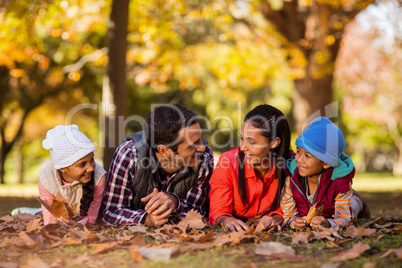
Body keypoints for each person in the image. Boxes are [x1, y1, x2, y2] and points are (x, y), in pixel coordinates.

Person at [102, 104, 214, 226]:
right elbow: (110, 212)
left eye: (200, 139)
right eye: (194, 144)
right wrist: (146, 218)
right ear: (164, 151)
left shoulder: (204, 158)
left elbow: (197, 213)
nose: (203, 147)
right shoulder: (129, 154)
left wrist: (175, 202)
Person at [209, 104, 291, 232]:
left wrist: (276, 218)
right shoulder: (228, 162)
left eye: (251, 142)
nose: (242, 147)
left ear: (274, 143)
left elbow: (297, 204)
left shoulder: (293, 164)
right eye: (242, 139)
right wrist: (226, 220)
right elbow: (218, 210)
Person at [281, 117, 370, 230]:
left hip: (339, 206)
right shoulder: (292, 178)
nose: (299, 159)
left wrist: (328, 223)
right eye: (298, 151)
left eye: (307, 156)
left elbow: (343, 218)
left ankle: (359, 201)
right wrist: (294, 222)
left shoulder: (339, 183)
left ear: (326, 163)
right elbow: (288, 214)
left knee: (352, 209)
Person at [39, 125, 107, 227]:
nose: (91, 168)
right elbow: (48, 219)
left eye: (92, 159)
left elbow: (91, 217)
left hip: (81, 215)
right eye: (82, 164)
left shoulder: (98, 176)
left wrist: (76, 225)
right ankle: (37, 211)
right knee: (41, 214)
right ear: (62, 168)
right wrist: (54, 223)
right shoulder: (47, 178)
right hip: (62, 213)